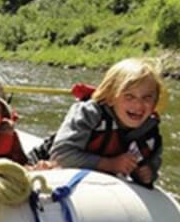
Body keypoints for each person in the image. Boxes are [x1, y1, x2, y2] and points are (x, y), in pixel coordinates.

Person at [37, 57, 168, 187]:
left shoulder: (149, 131)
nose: (139, 105)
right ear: (110, 98)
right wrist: (111, 164)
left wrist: (145, 174)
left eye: (147, 98)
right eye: (129, 96)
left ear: (155, 102)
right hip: (43, 163)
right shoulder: (90, 113)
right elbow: (61, 157)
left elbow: (151, 169)